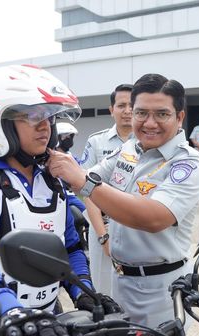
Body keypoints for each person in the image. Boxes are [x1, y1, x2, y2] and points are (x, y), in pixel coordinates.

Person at [0, 65, 120, 336]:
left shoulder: (53, 181)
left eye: (48, 116)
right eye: (32, 115)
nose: (45, 125)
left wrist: (83, 291)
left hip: (44, 321)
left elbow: (69, 248)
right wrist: (8, 309)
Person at [48, 73, 199, 328]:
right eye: (141, 113)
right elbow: (92, 174)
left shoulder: (187, 163)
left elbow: (154, 217)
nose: (150, 123)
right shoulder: (130, 149)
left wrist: (82, 182)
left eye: (162, 114)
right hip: (119, 282)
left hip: (161, 291)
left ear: (179, 117)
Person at [80, 83, 134, 296]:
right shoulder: (96, 142)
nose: (127, 110)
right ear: (112, 110)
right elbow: (86, 191)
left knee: (134, 287)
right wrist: (103, 237)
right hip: (103, 225)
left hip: (135, 225)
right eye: (121, 105)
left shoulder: (148, 143)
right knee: (103, 289)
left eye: (132, 105)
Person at [55, 121, 86, 213]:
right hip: (56, 196)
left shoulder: (72, 158)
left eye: (71, 136)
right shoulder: (49, 157)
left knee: (86, 214)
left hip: (71, 195)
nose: (69, 139)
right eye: (66, 136)